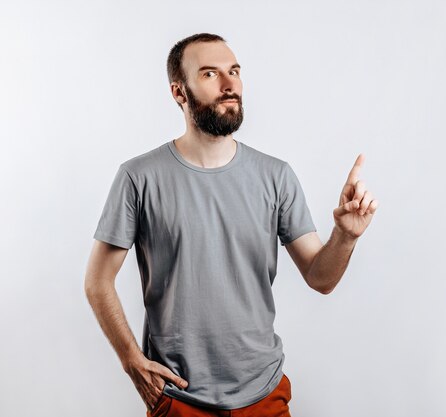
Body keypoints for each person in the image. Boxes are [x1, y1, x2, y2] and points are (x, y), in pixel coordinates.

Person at [84, 32, 378, 417]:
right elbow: (97, 280)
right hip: (178, 396)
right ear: (179, 92)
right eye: (209, 74)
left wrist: (345, 236)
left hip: (264, 393)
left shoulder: (276, 176)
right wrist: (130, 359)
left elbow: (320, 278)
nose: (229, 85)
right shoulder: (139, 177)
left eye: (234, 71)